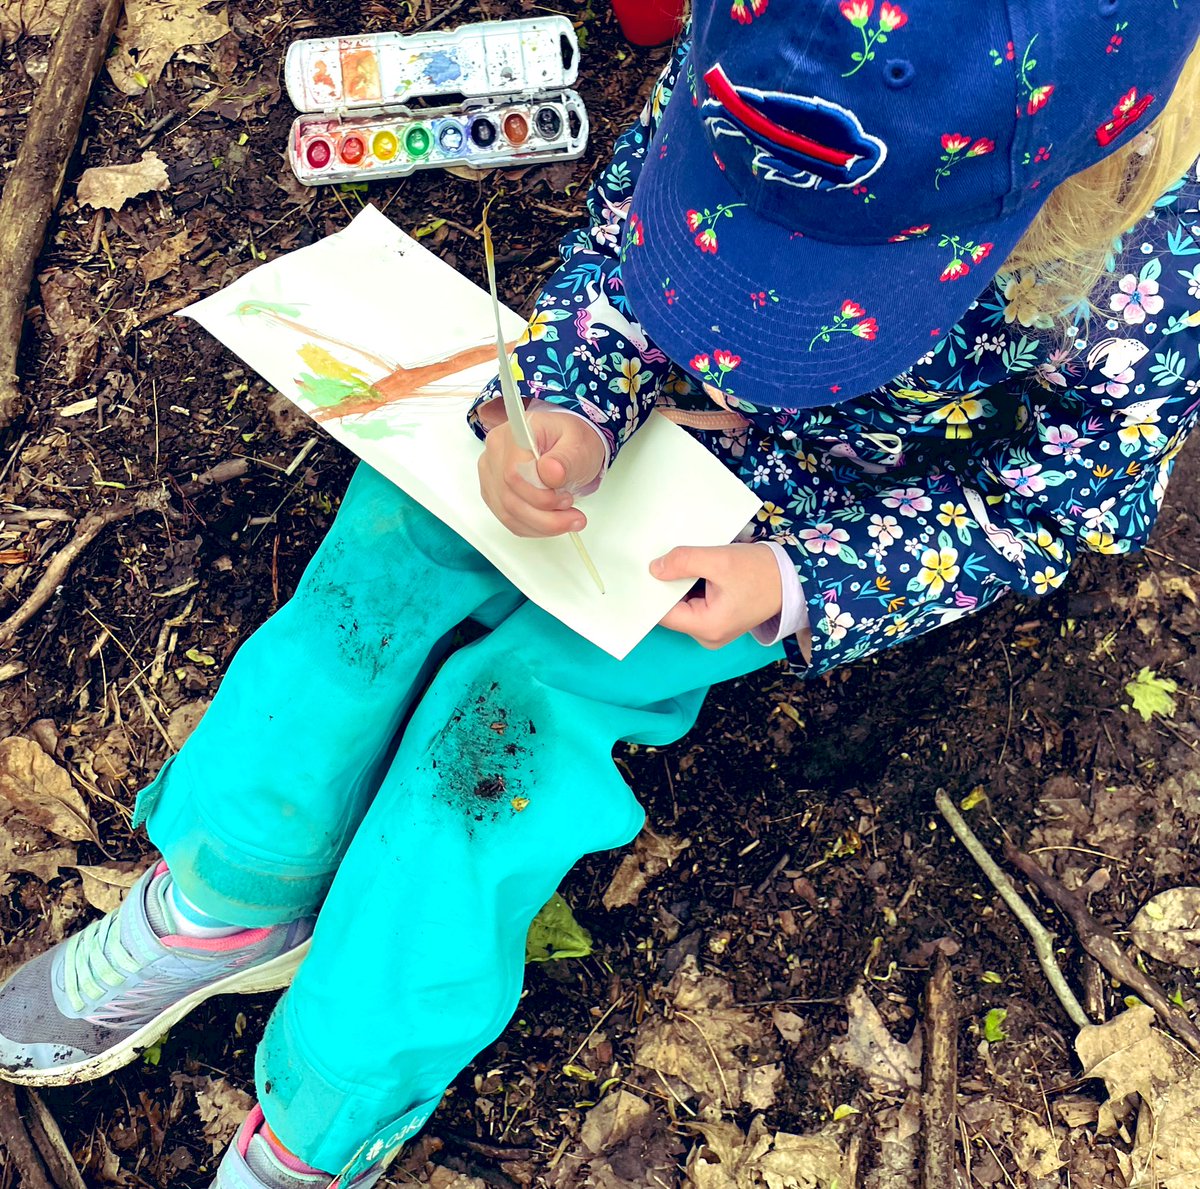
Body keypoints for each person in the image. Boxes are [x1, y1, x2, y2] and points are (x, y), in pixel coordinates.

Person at [3, 2, 1200, 1186]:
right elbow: (622, 252)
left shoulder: (1148, 269)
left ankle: (335, 1093)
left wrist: (798, 580)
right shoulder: (768, 61)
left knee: (507, 736)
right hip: (642, 421)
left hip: (794, 522)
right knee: (384, 562)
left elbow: (1055, 502)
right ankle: (232, 887)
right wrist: (567, 400)